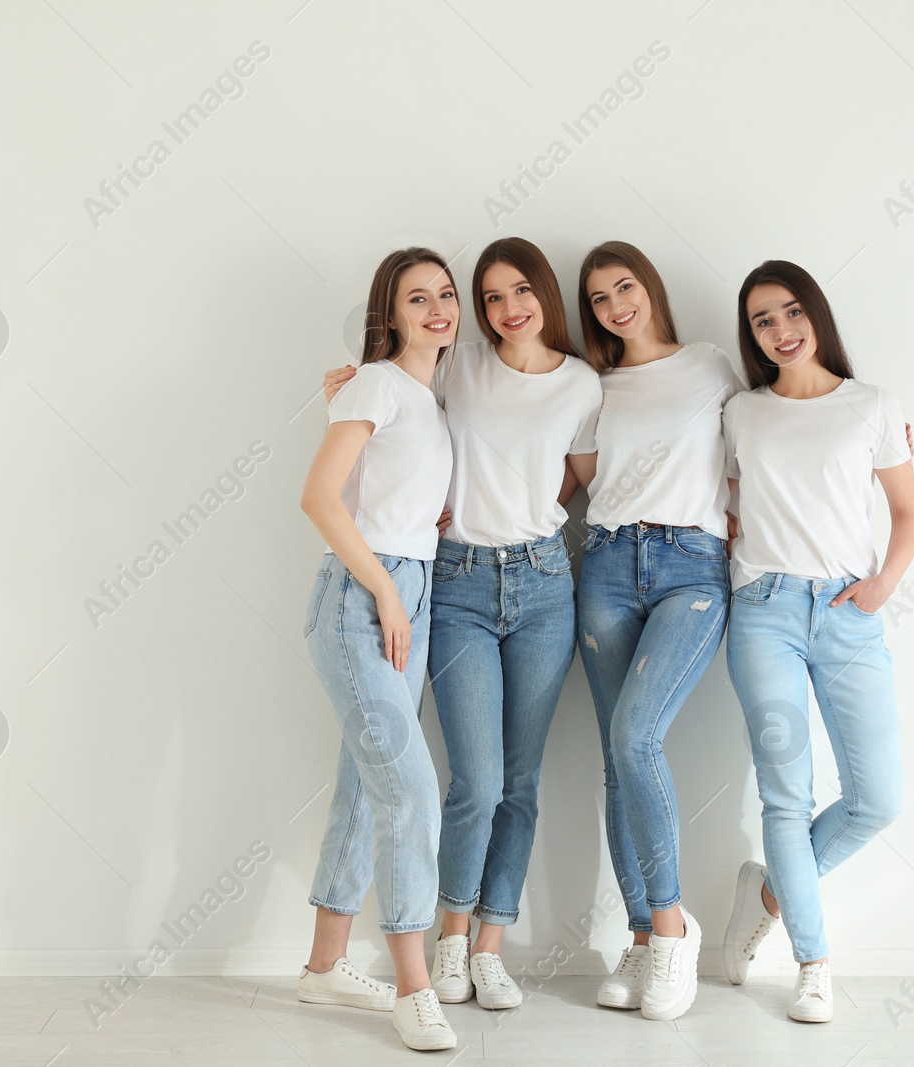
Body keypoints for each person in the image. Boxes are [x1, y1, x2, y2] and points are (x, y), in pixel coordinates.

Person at [323, 237, 603, 1011]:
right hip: (458, 583)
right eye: (490, 298)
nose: (507, 309)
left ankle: (489, 947)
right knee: (474, 780)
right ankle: (447, 936)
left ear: (544, 293)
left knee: (521, 782)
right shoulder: (459, 364)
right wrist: (339, 390)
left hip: (547, 582)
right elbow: (395, 416)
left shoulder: (583, 384)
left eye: (521, 291)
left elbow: (581, 484)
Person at [719, 260, 914, 1023]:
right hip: (764, 610)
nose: (781, 330)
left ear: (817, 316)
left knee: (878, 799)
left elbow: (907, 513)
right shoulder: (741, 412)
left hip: (847, 612)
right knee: (786, 792)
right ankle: (812, 962)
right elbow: (725, 503)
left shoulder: (872, 406)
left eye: (791, 312)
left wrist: (882, 586)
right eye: (763, 321)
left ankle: (768, 891)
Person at [566, 240, 745, 1021]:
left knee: (638, 736)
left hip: (690, 567)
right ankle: (641, 936)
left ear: (651, 287)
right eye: (600, 299)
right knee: (616, 759)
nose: (614, 307)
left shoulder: (708, 364)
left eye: (624, 287)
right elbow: (564, 472)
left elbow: (760, 441)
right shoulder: (590, 384)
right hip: (604, 561)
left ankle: (673, 930)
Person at [296, 247, 460, 1052]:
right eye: (416, 297)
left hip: (414, 589)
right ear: (389, 313)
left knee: (368, 787)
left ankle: (326, 965)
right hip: (364, 597)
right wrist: (387, 590)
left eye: (445, 294)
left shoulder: (432, 399)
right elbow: (318, 497)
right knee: (412, 791)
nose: (436, 308)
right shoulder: (373, 383)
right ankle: (413, 987)